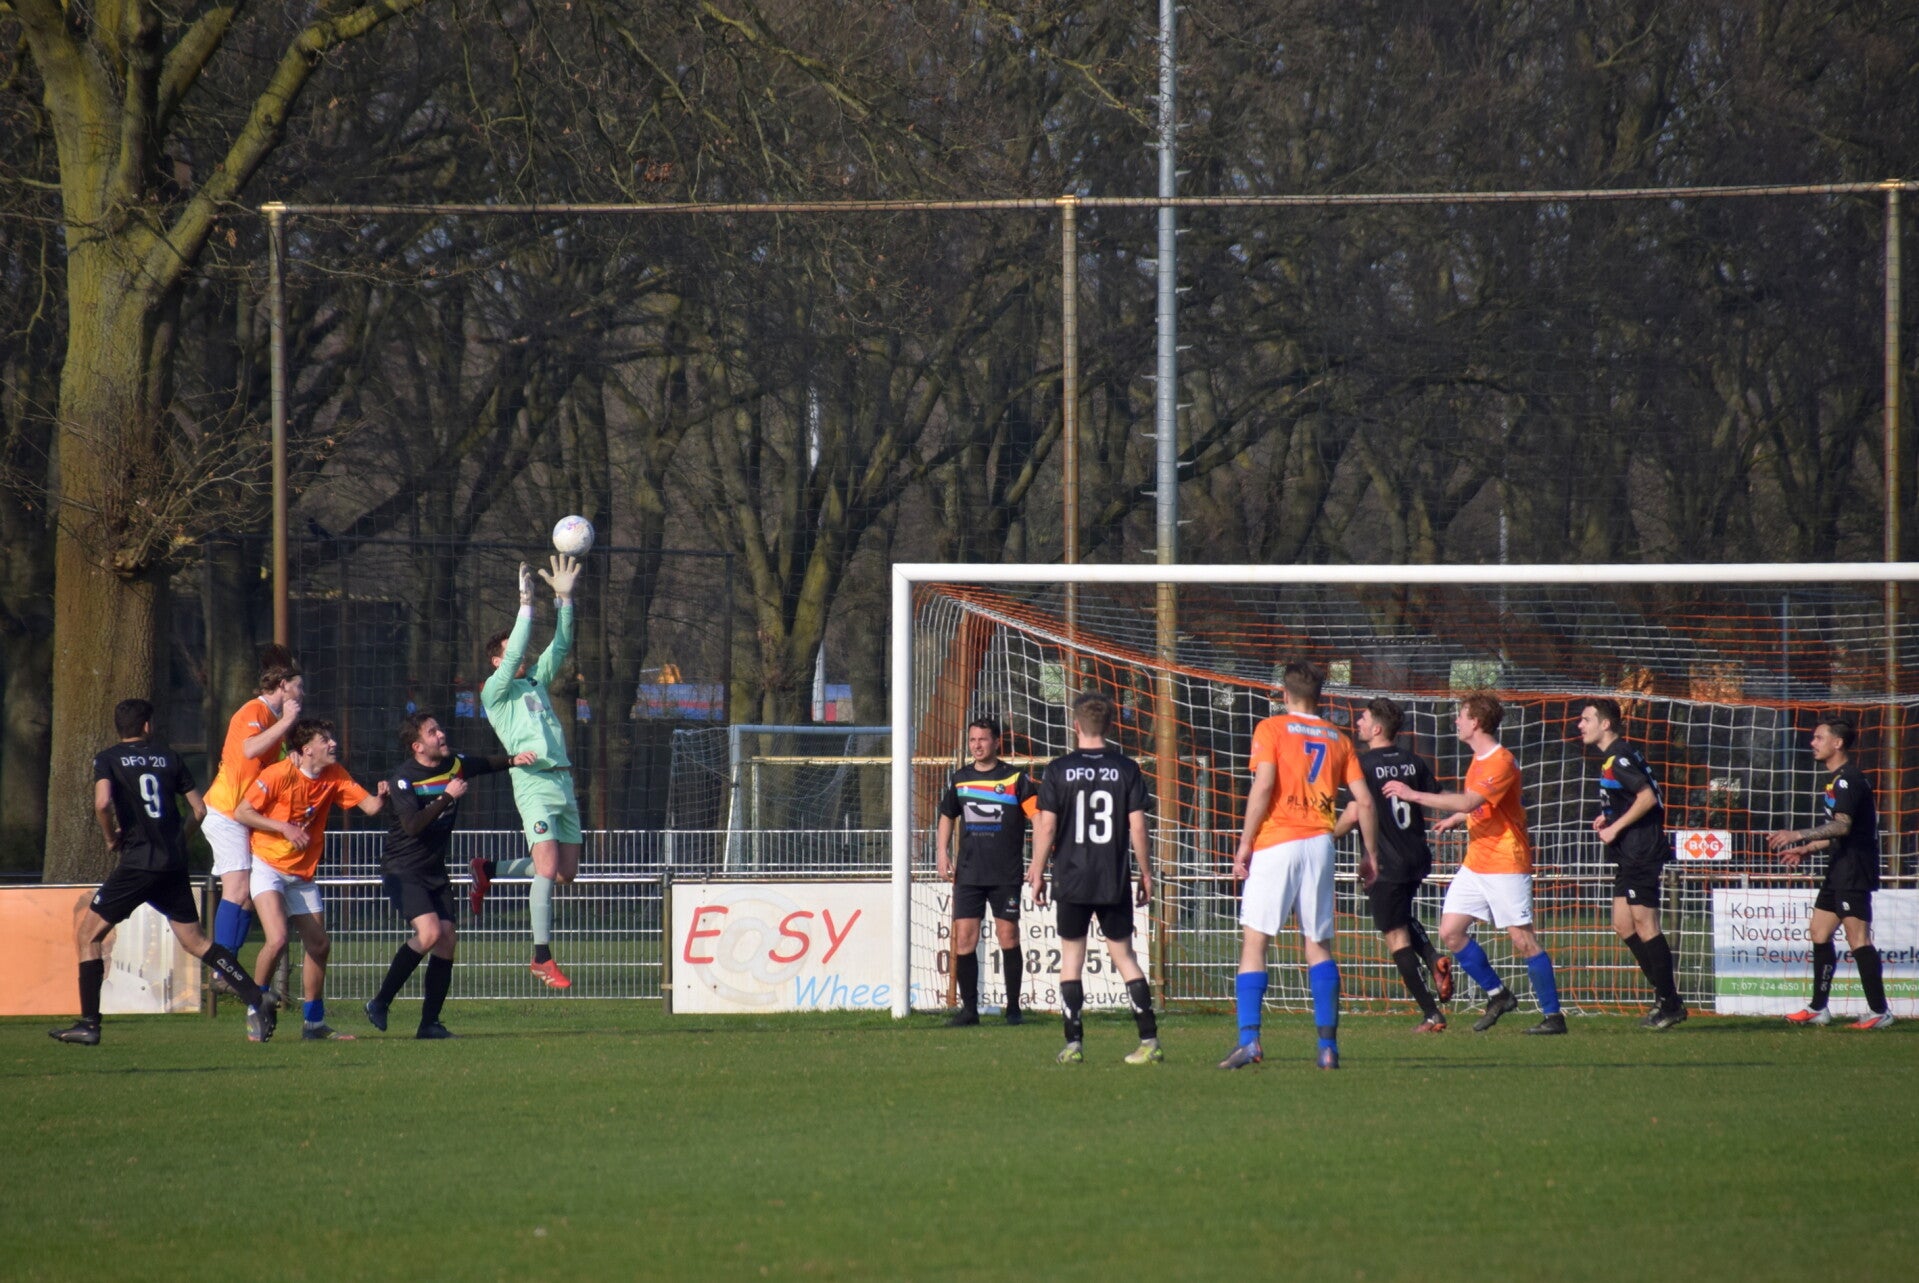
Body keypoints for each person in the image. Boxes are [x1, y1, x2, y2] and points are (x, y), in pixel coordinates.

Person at [51, 700, 280, 1045]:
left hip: (137, 864)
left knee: (88, 936)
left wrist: (111, 837)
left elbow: (101, 803)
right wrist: (178, 841)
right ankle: (256, 996)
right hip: (172, 865)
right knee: (197, 942)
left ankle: (89, 1024)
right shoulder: (169, 757)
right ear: (147, 725)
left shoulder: (108, 758)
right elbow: (199, 809)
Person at [1220, 661, 1378, 1071]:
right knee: (1318, 945)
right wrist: (1370, 854)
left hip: (1277, 842)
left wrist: (1245, 843)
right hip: (1320, 844)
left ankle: (1249, 1042)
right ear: (1320, 697)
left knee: (1256, 941)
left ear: (1284, 694)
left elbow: (1264, 785)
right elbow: (1364, 802)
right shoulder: (1339, 738)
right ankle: (1327, 1048)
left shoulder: (1271, 728)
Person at [1384, 693, 1567, 1035]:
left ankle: (1554, 1016)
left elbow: (1471, 801)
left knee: (1523, 940)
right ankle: (1499, 995)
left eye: (1462, 715)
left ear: (1476, 722)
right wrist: (1457, 818)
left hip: (1505, 861)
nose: (1456, 721)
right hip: (1477, 861)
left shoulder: (1500, 761)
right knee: (1450, 932)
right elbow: (1482, 805)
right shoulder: (1479, 759)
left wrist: (1414, 795)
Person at [364, 713, 533, 1038]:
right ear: (417, 746)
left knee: (447, 940)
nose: (441, 734)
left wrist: (514, 759)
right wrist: (447, 797)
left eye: (439, 729)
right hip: (403, 869)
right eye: (432, 732)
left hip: (433, 869)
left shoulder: (453, 764)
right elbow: (412, 826)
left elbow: (483, 764)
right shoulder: (403, 779)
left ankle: (429, 1024)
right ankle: (380, 1002)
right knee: (429, 933)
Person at [1025, 691, 1160, 1065]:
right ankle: (1149, 1040)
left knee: (1071, 958)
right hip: (1112, 877)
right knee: (1125, 956)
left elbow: (1047, 827)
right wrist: (1146, 873)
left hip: (1071, 877)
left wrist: (1037, 870)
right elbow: (1138, 826)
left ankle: (1073, 1045)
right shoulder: (1126, 768)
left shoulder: (1058, 769)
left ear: (1075, 725)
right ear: (1111, 725)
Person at [471, 555, 583, 990]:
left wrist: (564, 600)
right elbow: (517, 649)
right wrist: (525, 606)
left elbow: (561, 645)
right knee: (547, 866)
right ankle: (541, 957)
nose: (520, 656)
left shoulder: (534, 682)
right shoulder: (495, 693)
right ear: (496, 661)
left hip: (563, 780)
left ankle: (489, 868)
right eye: (508, 652)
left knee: (565, 872)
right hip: (533, 782)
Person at [234, 718, 384, 1041]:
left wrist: (387, 792)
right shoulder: (278, 774)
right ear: (307, 750)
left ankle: (314, 1025)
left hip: (302, 874)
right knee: (277, 940)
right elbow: (242, 812)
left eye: (331, 738)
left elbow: (371, 807)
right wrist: (284, 827)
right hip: (269, 866)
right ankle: (255, 1008)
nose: (333, 743)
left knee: (319, 945)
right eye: (325, 739)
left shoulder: (334, 774)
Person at [1767, 718, 1894, 1029]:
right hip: (1838, 867)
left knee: (1858, 938)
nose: (1813, 743)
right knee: (1819, 933)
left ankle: (1880, 1012)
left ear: (1837, 743)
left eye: (1819, 737)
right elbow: (1839, 831)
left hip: (1854, 869)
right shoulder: (1836, 780)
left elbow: (1843, 826)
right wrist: (1806, 849)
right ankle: (1818, 1008)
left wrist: (1797, 834)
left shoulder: (1848, 779)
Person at [1335, 697, 1452, 1032]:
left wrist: (1324, 836)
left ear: (1377, 729)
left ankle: (1431, 1013)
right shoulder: (1413, 761)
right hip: (1417, 855)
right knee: (1399, 915)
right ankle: (1432, 958)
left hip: (1386, 861)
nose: (1358, 723)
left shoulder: (1362, 765)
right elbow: (1435, 797)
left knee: (1395, 936)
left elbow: (1354, 812)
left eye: (1363, 718)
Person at [1578, 698, 1685, 1029]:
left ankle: (1670, 1003)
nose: (1580, 725)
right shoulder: (1616, 756)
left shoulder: (1618, 757)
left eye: (1586, 719)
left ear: (1605, 724)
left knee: (1646, 925)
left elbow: (1648, 798)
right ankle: (1667, 997)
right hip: (1629, 852)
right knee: (1623, 924)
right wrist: (1609, 816)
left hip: (1641, 850)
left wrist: (1615, 827)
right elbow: (1635, 796)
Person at [200, 647, 304, 972]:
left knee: (246, 896)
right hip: (226, 811)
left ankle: (228, 966)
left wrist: (291, 756)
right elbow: (248, 749)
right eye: (298, 686)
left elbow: (270, 769)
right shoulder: (254, 709)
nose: (302, 693)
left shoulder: (275, 722)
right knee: (237, 889)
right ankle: (222, 968)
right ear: (283, 685)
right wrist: (287, 721)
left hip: (246, 815)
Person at [936, 716, 1039, 1026]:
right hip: (968, 874)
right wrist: (941, 852)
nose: (976, 745)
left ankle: (1013, 1009)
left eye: (982, 739)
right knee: (964, 939)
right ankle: (969, 1011)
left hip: (1005, 874)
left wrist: (1038, 860)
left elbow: (1038, 818)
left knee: (1008, 935)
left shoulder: (1015, 778)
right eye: (972, 740)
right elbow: (947, 815)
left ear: (996, 742)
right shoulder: (961, 779)